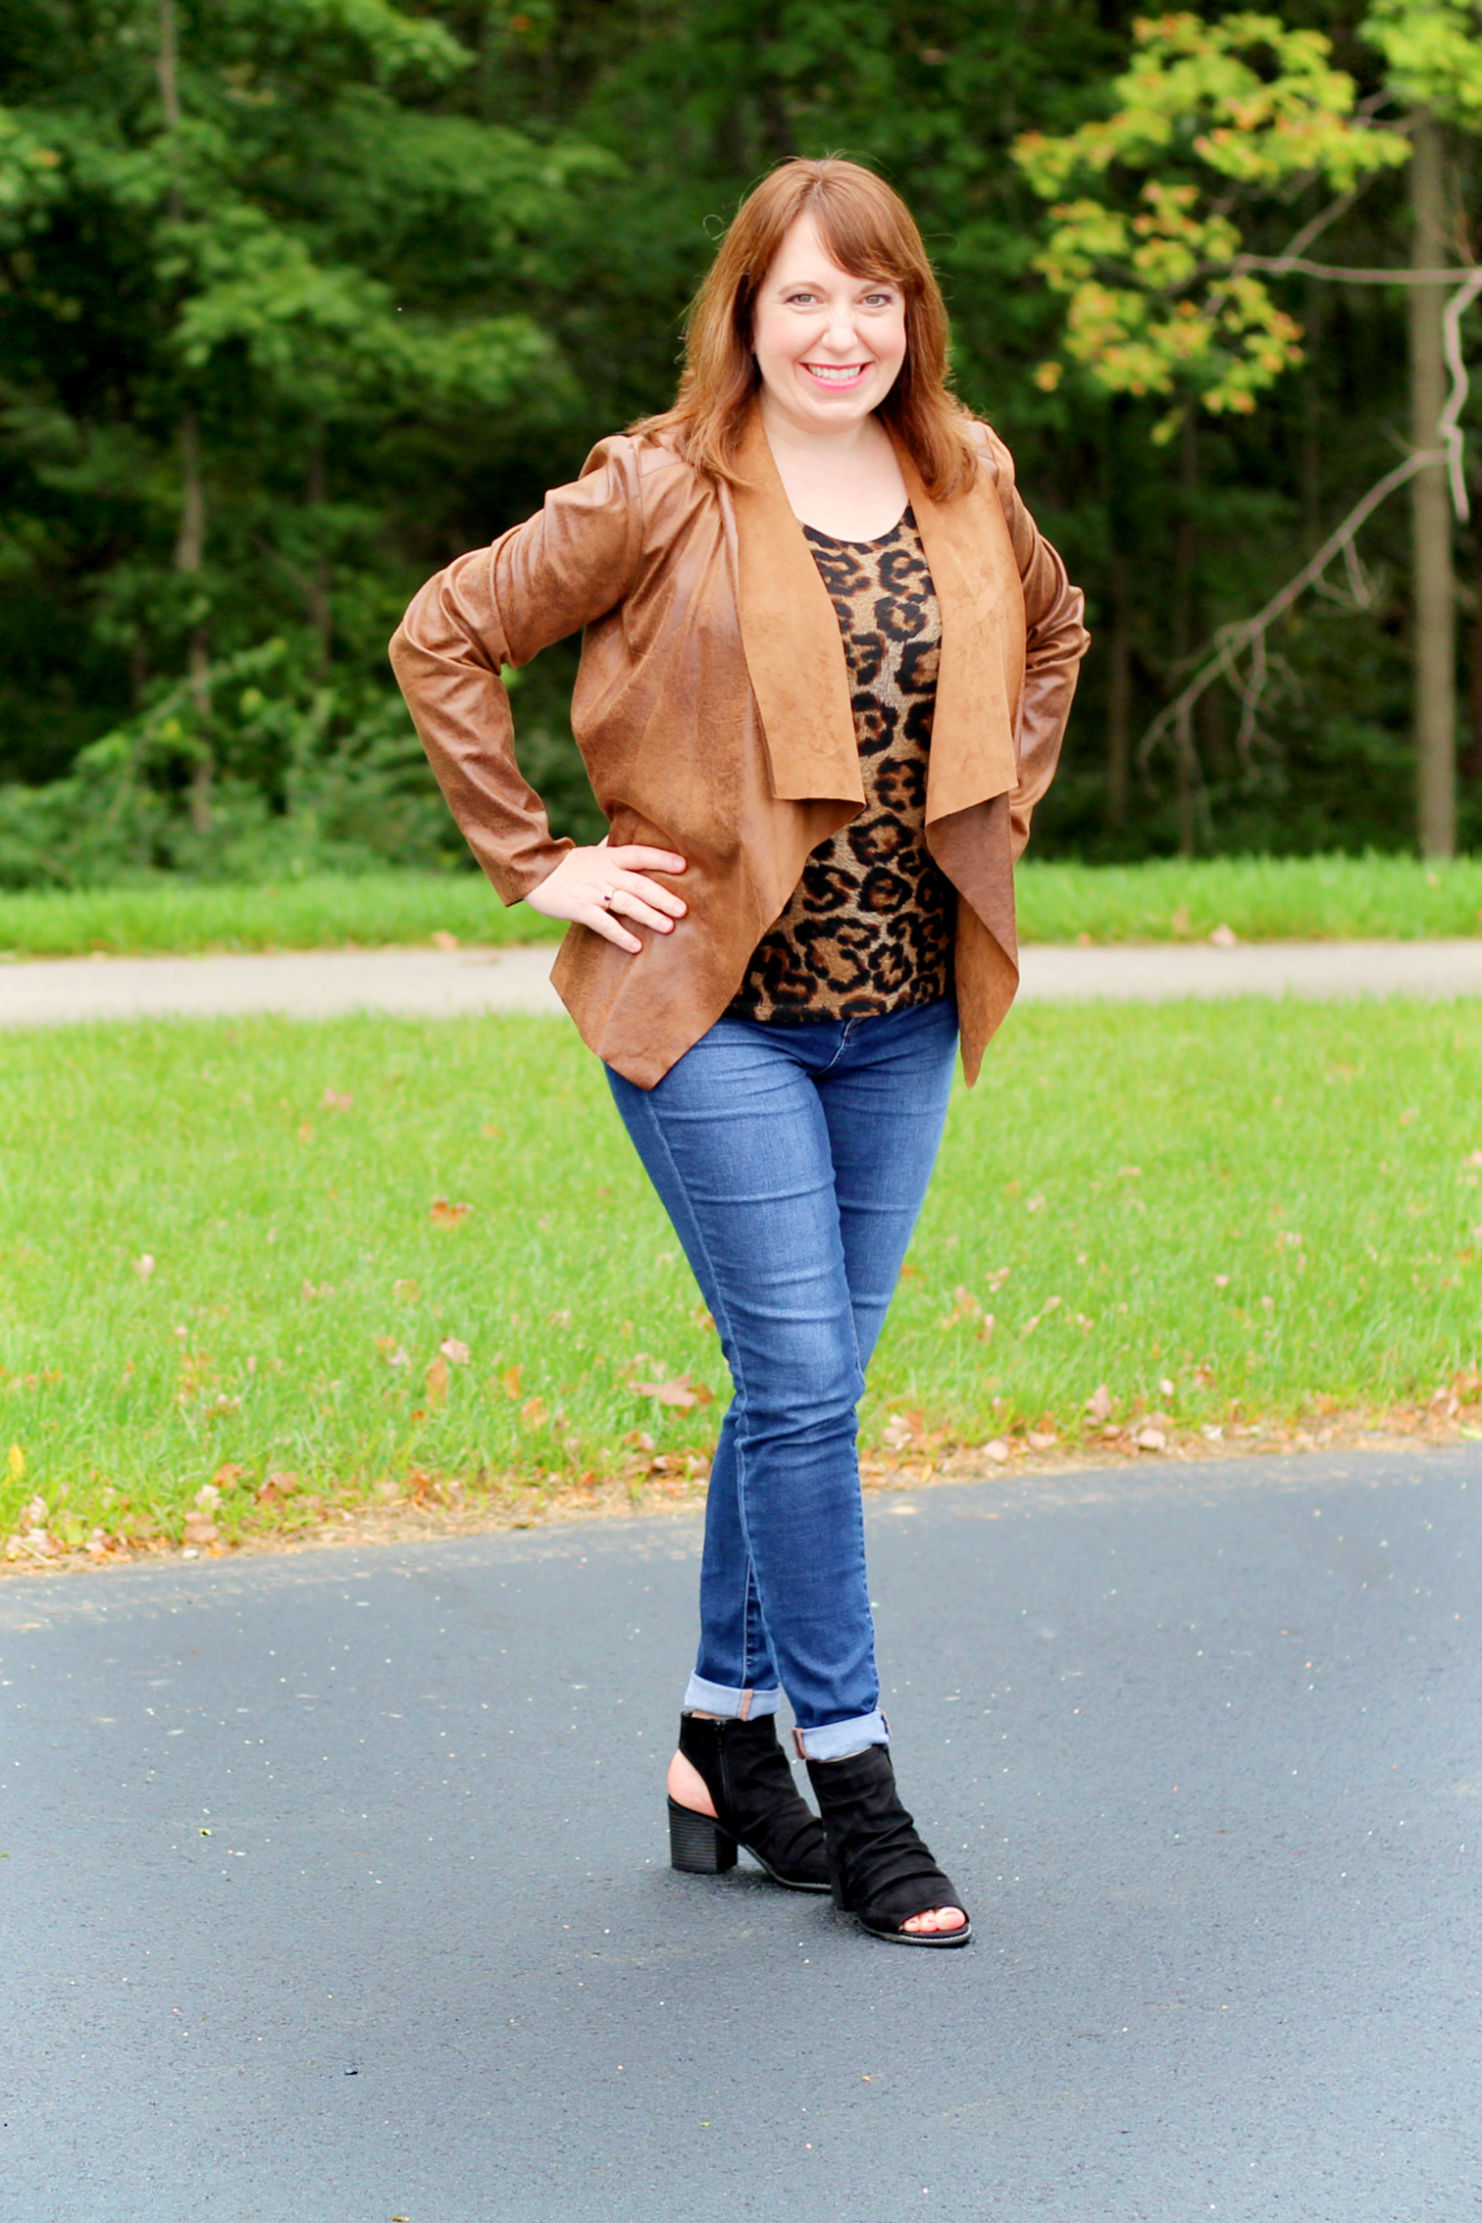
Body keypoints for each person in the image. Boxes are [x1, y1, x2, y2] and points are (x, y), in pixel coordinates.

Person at [390, 156, 1088, 1948]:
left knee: (802, 1392)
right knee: (801, 1394)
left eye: (873, 296)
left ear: (910, 316)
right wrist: (542, 860)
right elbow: (446, 632)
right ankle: (855, 1786)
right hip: (715, 1013)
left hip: (903, 1011)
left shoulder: (967, 474)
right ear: (744, 314)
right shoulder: (660, 484)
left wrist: (994, 808)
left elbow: (1055, 631)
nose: (839, 330)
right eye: (802, 296)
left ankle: (717, 1742)